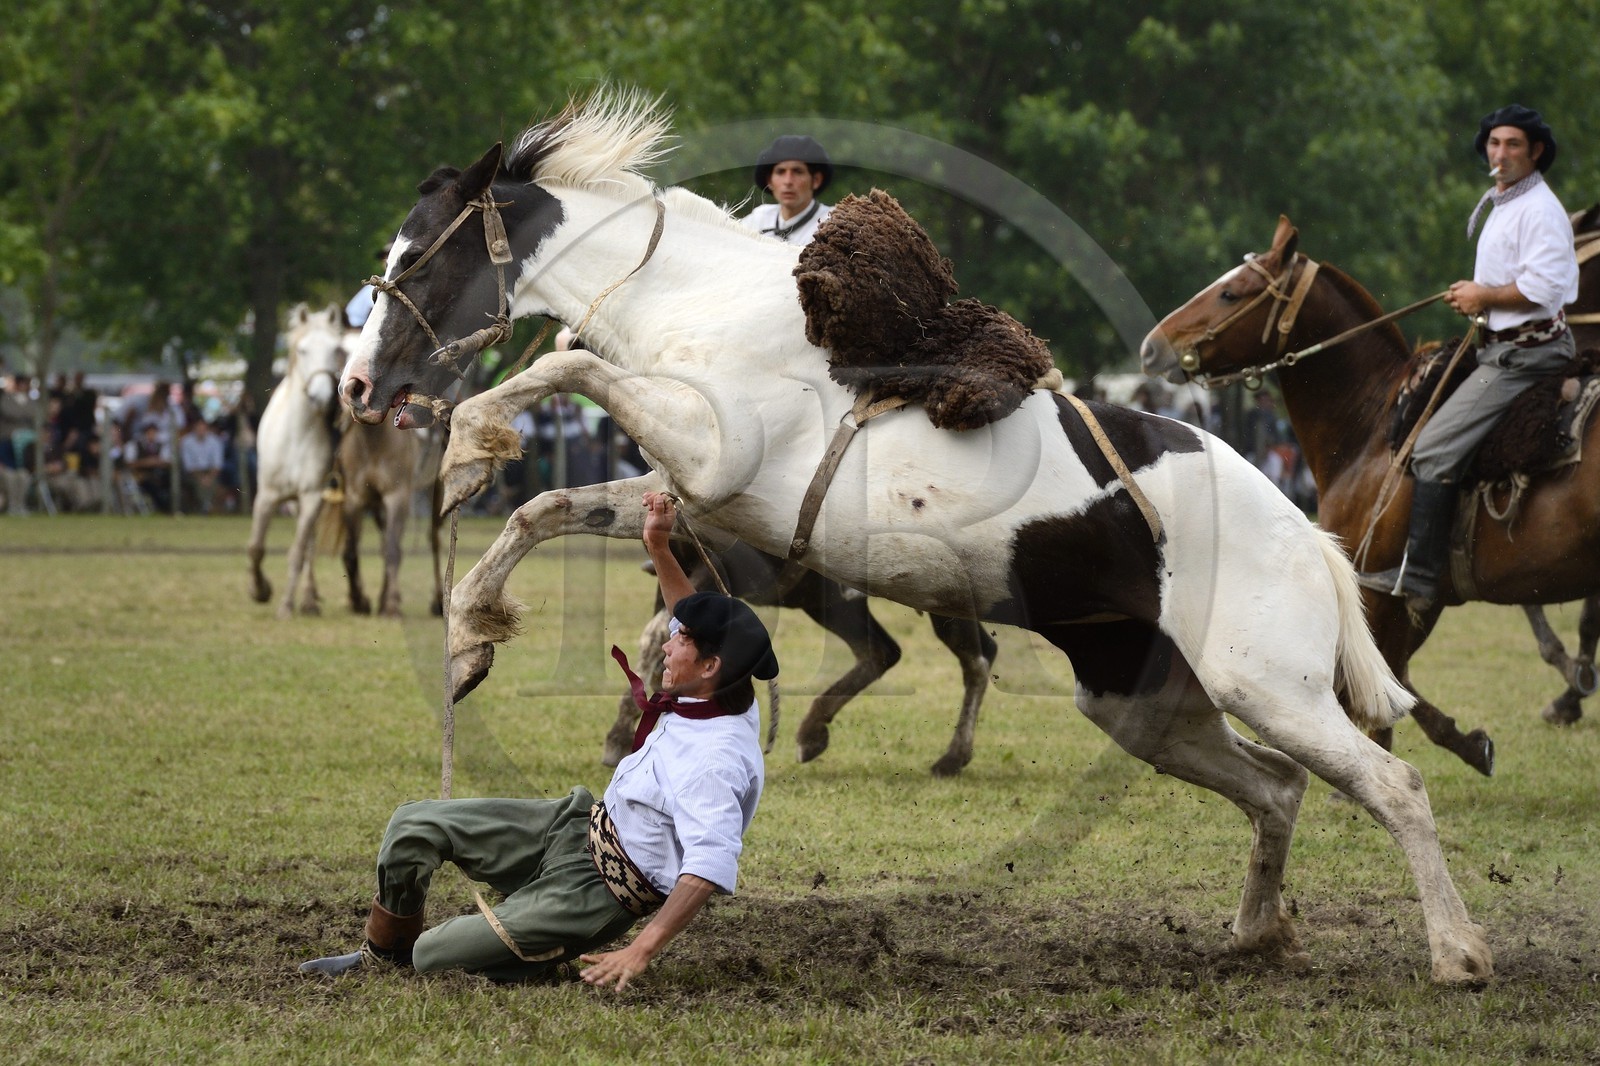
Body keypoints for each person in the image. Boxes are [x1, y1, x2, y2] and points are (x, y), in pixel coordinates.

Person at [299, 492, 777, 989]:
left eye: (679, 642)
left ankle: (533, 944)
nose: (666, 641)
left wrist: (640, 949)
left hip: (597, 895)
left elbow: (708, 865)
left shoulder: (717, 758)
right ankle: (383, 953)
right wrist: (658, 544)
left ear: (709, 667)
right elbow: (689, 618)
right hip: (573, 826)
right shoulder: (722, 687)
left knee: (433, 953)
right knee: (411, 824)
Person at [1362, 104, 1579, 612]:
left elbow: (1546, 288)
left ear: (1536, 153)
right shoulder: (1506, 201)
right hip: (1500, 346)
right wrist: (1479, 299)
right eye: (1494, 143)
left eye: (1513, 145)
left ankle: (1420, 577)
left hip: (1529, 354)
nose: (1500, 154)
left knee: (1434, 449)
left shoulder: (1540, 210)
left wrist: (1483, 297)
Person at [741, 135, 834, 245]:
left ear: (816, 180)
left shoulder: (832, 224)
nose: (788, 181)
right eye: (780, 172)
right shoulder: (758, 219)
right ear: (769, 181)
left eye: (798, 171)